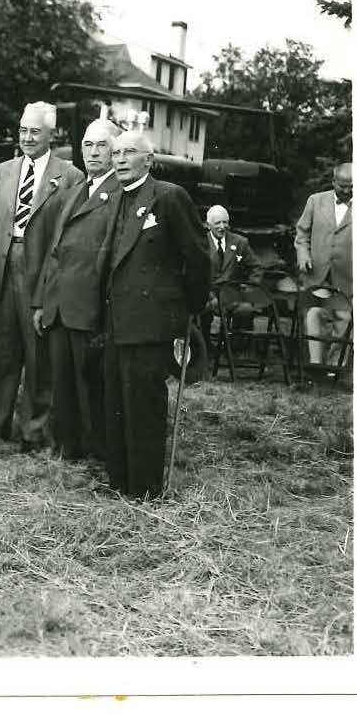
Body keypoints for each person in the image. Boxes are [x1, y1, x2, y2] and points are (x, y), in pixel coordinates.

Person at [97, 128, 208, 499]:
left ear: (149, 160)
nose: (121, 159)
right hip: (117, 319)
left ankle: (144, 488)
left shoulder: (169, 197)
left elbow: (197, 257)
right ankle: (120, 480)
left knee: (143, 405)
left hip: (152, 321)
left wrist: (189, 310)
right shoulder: (114, 198)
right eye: (117, 154)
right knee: (115, 402)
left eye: (130, 153)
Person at [0, 103, 80, 450]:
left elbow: (66, 238)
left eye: (34, 131)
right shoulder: (2, 171)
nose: (27, 137)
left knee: (39, 355)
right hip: (3, 267)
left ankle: (34, 429)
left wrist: (48, 288)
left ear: (52, 134)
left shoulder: (69, 175)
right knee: (3, 351)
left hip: (40, 269)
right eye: (22, 130)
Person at [32, 118, 120, 464]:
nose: (93, 152)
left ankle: (98, 454)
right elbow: (55, 251)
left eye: (101, 145)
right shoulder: (74, 192)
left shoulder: (117, 195)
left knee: (92, 385)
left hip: (89, 307)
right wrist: (41, 301)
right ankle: (67, 447)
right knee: (62, 383)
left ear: (115, 150)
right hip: (59, 305)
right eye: (88, 145)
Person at [294, 163, 354, 374]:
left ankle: (333, 368)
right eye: (343, 186)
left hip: (347, 276)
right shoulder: (315, 201)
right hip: (317, 272)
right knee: (314, 314)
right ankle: (315, 365)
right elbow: (301, 234)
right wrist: (303, 255)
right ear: (333, 182)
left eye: (351, 187)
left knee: (344, 319)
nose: (347, 191)